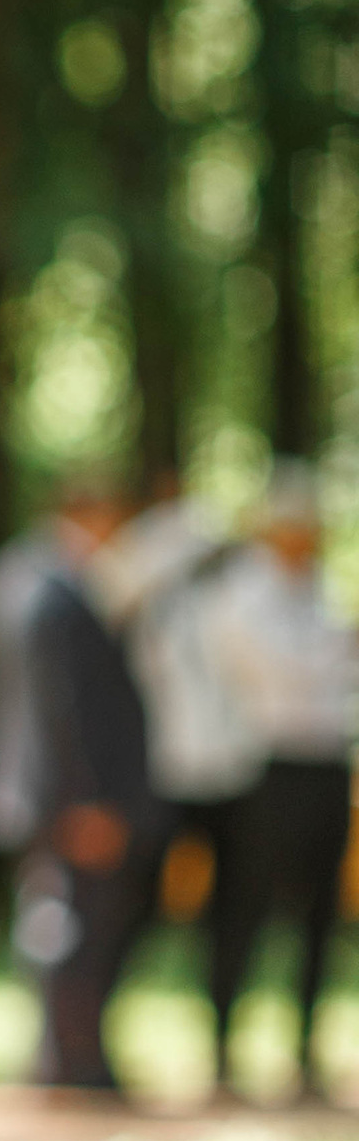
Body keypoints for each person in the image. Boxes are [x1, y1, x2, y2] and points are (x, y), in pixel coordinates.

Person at [0, 487, 168, 1093]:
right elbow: (59, 712)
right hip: (72, 802)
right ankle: (68, 1058)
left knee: (75, 922)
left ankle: (73, 1052)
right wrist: (85, 801)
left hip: (57, 796)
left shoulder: (25, 582)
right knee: (71, 927)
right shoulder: (56, 598)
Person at [198, 469, 356, 1102]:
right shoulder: (238, 595)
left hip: (326, 764)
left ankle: (305, 1052)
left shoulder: (318, 591)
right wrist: (333, 655)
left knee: (322, 914)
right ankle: (221, 1050)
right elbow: (281, 674)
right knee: (245, 907)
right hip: (266, 768)